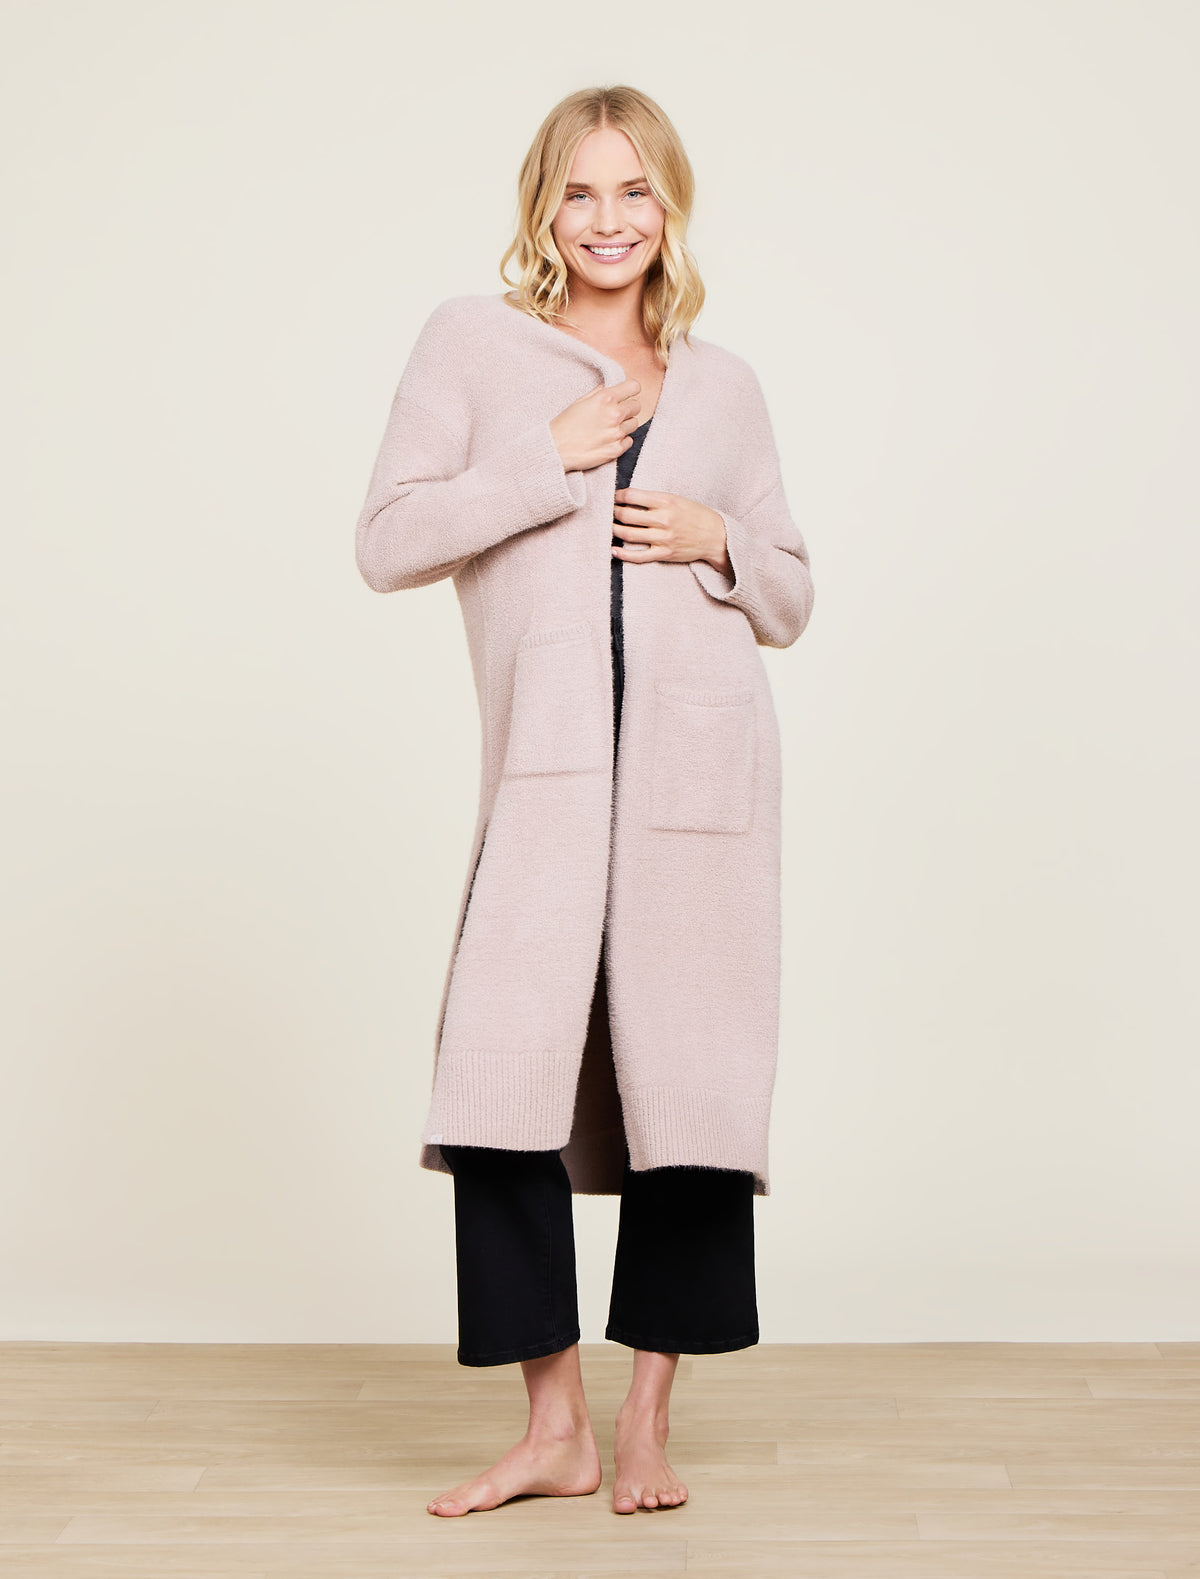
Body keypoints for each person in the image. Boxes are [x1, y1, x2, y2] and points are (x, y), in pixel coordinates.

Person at [353, 84, 815, 1518]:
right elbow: (386, 540)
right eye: (579, 191)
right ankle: (552, 1427)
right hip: (547, 789)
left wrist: (718, 536)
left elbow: (793, 594)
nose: (608, 220)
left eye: (635, 191)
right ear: (541, 207)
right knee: (501, 1092)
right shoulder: (473, 346)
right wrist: (539, 459)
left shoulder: (724, 386)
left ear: (669, 208)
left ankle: (647, 1422)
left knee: (690, 1100)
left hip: (700, 792)